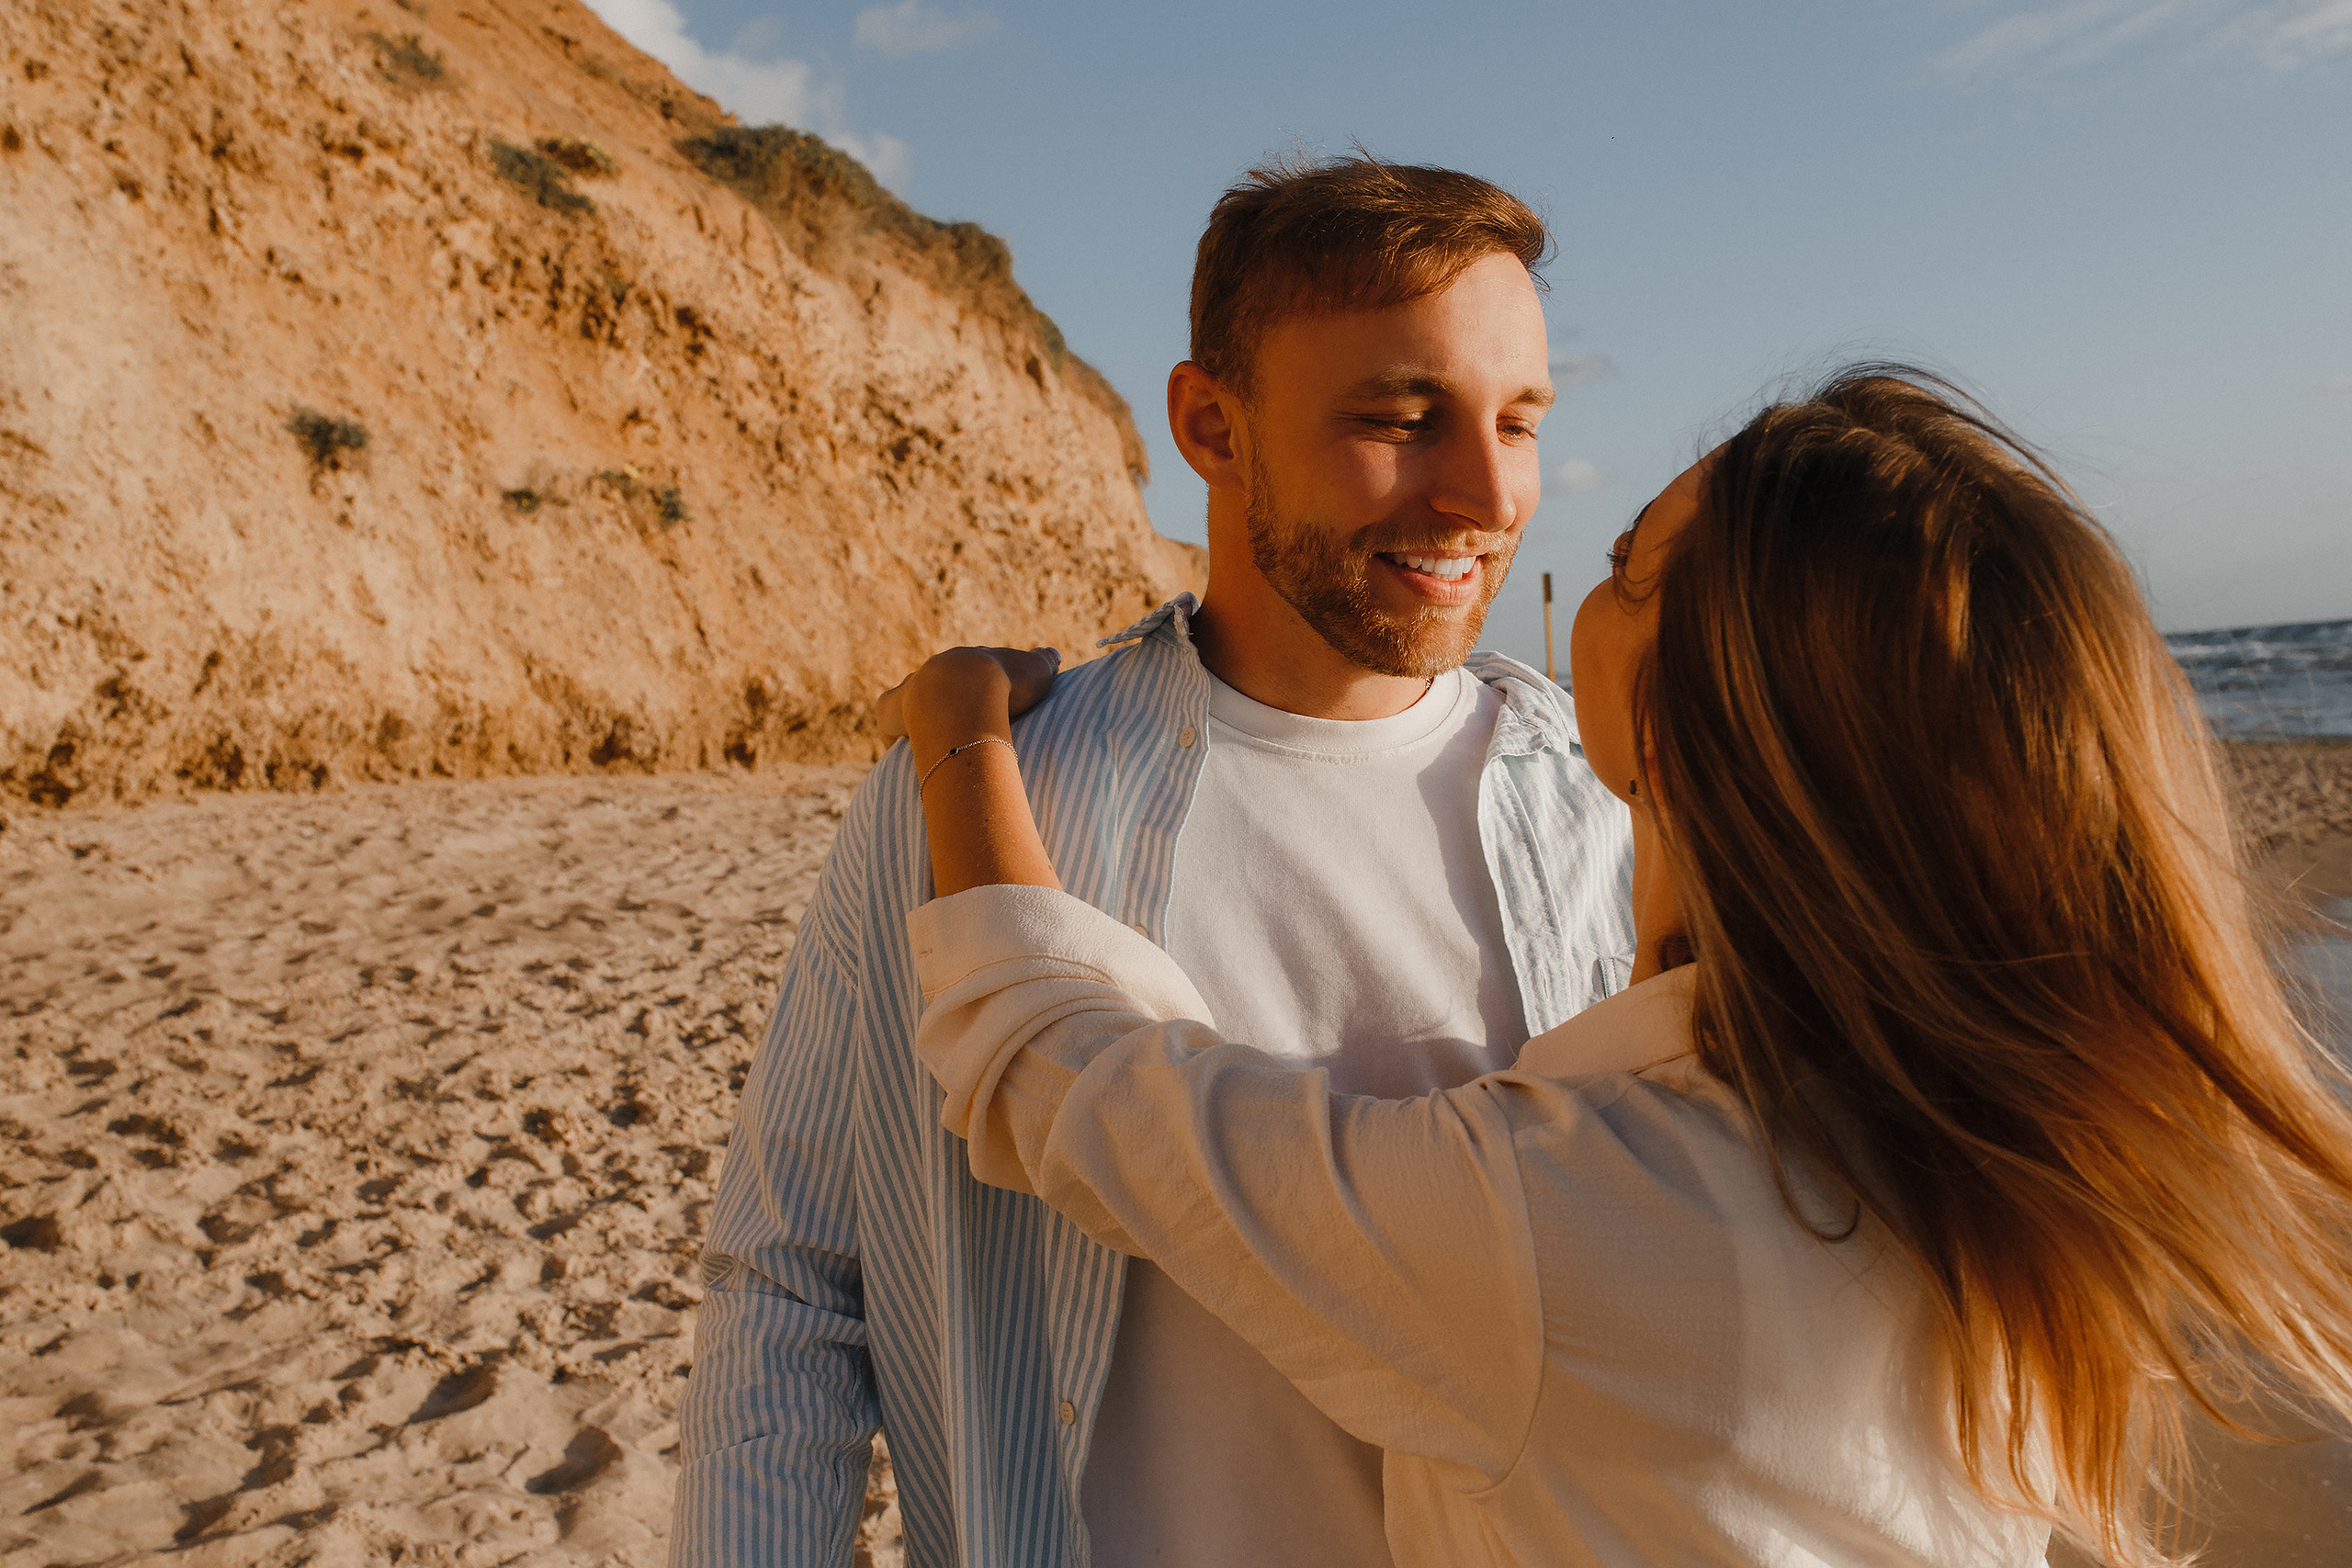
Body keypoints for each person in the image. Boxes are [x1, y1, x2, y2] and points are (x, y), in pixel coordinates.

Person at [886, 368, 2352, 1567]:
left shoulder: (1576, 1219)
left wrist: (961, 730)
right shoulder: (2001, 1148)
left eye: (1625, 567)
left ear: (1681, 722)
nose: (1498, 504)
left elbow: (1051, 1061)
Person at [673, 156, 1636, 1566]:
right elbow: (793, 1283)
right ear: (1209, 425)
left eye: (1520, 422)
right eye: (1400, 420)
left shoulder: (1611, 808)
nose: (1486, 494)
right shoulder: (980, 791)